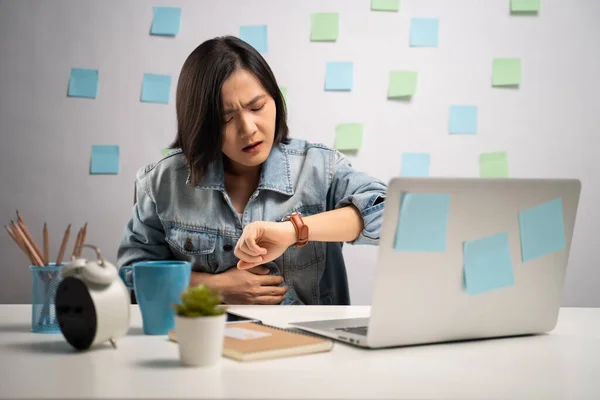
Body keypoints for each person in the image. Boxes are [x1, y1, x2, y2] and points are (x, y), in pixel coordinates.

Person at [116, 35, 387, 305]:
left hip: (309, 345)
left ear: (275, 100)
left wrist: (293, 231)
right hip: (205, 343)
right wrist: (213, 287)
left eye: (257, 107)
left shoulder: (318, 167)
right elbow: (132, 277)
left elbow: (389, 215)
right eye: (226, 119)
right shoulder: (162, 183)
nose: (248, 129)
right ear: (201, 123)